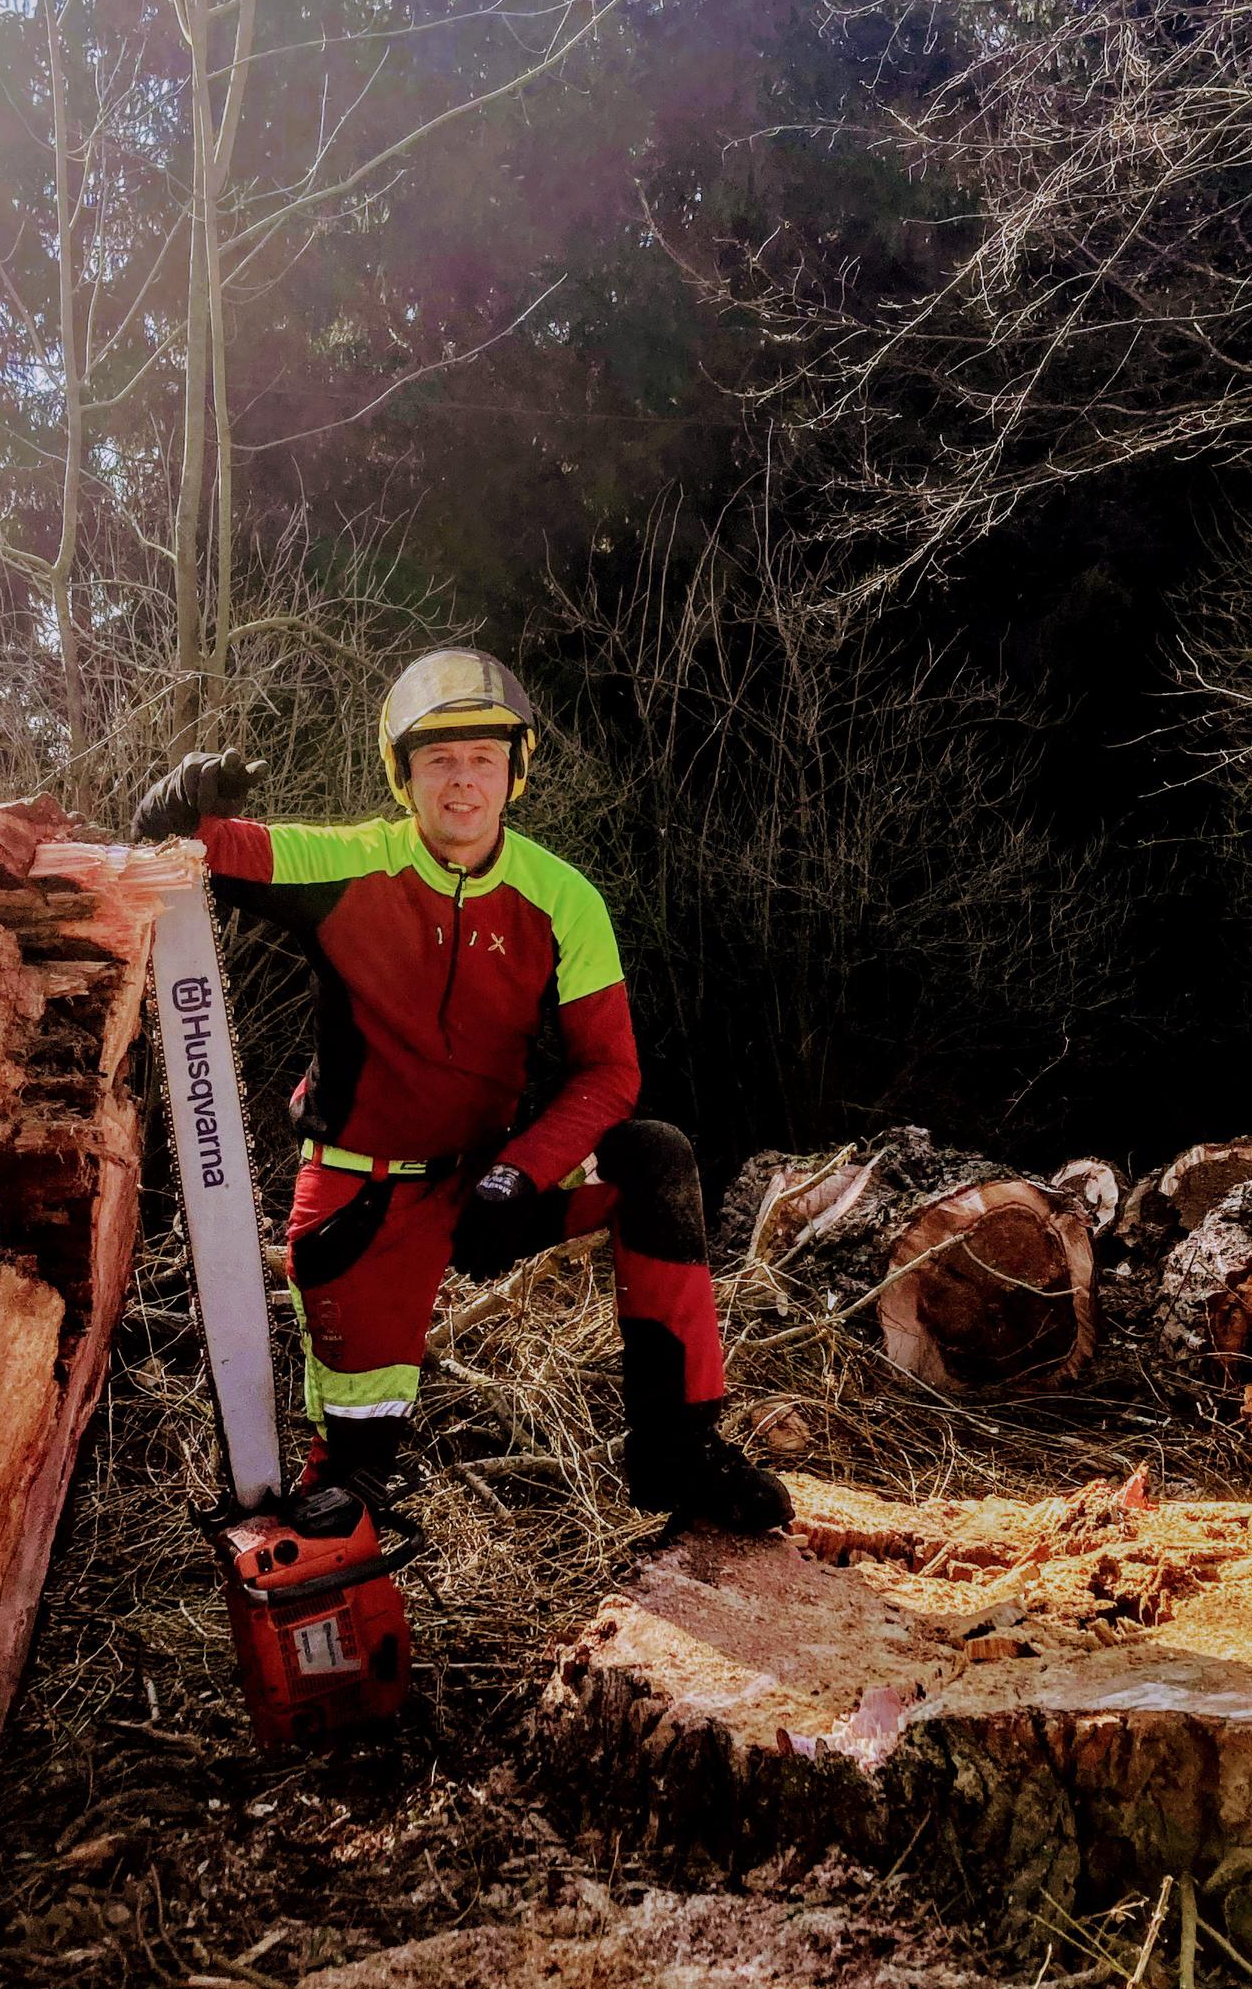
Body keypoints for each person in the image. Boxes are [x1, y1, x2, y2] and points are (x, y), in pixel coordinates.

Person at [134, 649, 792, 1534]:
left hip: (493, 1181)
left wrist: (520, 1173)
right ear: (402, 775)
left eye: (484, 758)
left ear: (515, 773)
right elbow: (188, 849)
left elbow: (612, 1073)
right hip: (361, 1194)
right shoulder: (347, 861)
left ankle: (678, 1445)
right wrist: (177, 805)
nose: (462, 782)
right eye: (439, 759)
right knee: (350, 1474)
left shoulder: (565, 901)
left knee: (655, 1158)